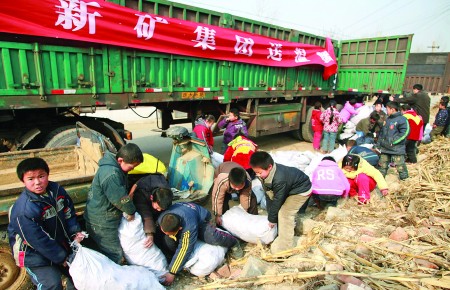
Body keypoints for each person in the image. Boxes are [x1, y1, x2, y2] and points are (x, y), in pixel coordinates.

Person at [8, 157, 85, 290]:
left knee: (79, 276)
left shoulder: (56, 191)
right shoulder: (24, 209)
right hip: (33, 254)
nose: (37, 182)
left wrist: (74, 232)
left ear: (47, 175)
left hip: (58, 244)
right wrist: (61, 257)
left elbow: (68, 212)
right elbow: (37, 240)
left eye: (41, 176)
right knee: (52, 284)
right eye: (31, 179)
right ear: (23, 181)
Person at [84, 143, 143, 264]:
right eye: (131, 167)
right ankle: (114, 277)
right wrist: (131, 211)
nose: (132, 170)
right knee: (114, 254)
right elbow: (121, 199)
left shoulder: (114, 168)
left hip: (103, 216)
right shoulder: (111, 174)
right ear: (120, 160)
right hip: (102, 222)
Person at [157, 202, 239, 286]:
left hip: (200, 219)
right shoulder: (162, 219)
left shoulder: (189, 227)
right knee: (167, 241)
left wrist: (172, 272)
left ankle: (234, 242)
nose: (168, 234)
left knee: (212, 237)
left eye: (171, 233)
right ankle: (175, 261)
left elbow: (184, 248)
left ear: (180, 228)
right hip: (183, 211)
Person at [249, 151, 312, 254]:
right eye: (255, 172)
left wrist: (272, 219)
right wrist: (271, 216)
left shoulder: (279, 178)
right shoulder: (265, 175)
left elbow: (278, 200)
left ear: (269, 167)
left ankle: (285, 247)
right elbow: (269, 195)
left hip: (301, 190)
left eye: (259, 172)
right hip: (290, 188)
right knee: (275, 213)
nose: (257, 175)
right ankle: (281, 232)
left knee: (284, 214)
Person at [129, 173, 173, 248]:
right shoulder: (141, 194)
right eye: (157, 207)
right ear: (152, 198)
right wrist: (150, 234)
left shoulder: (166, 193)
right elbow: (146, 215)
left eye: (161, 209)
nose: (159, 210)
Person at [210, 162, 258, 226]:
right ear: (230, 181)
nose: (237, 189)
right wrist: (218, 215)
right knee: (223, 201)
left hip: (235, 180)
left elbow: (245, 197)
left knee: (252, 198)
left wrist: (245, 212)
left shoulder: (247, 181)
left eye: (240, 186)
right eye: (235, 186)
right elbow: (217, 197)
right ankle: (222, 224)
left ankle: (254, 221)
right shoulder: (222, 180)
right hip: (221, 174)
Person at [376, 102, 409, 180]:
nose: (386, 110)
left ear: (392, 109)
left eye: (387, 109)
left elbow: (405, 133)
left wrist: (393, 141)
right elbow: (382, 133)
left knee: (400, 167)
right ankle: (380, 181)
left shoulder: (402, 119)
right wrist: (378, 144)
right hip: (385, 148)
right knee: (382, 166)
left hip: (396, 149)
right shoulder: (388, 119)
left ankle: (404, 180)